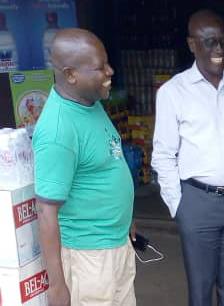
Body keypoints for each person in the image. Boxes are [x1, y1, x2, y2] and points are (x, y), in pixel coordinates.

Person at [151, 9, 224, 306]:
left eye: (223, 42)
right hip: (197, 203)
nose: (218, 50)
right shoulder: (173, 92)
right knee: (200, 291)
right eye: (209, 42)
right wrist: (179, 205)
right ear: (192, 45)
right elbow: (163, 155)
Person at [33, 28, 136, 306]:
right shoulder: (58, 130)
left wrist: (126, 218)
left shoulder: (89, 103)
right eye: (100, 68)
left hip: (115, 244)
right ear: (70, 75)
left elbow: (107, 162)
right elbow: (45, 212)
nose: (110, 71)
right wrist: (57, 286)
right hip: (88, 257)